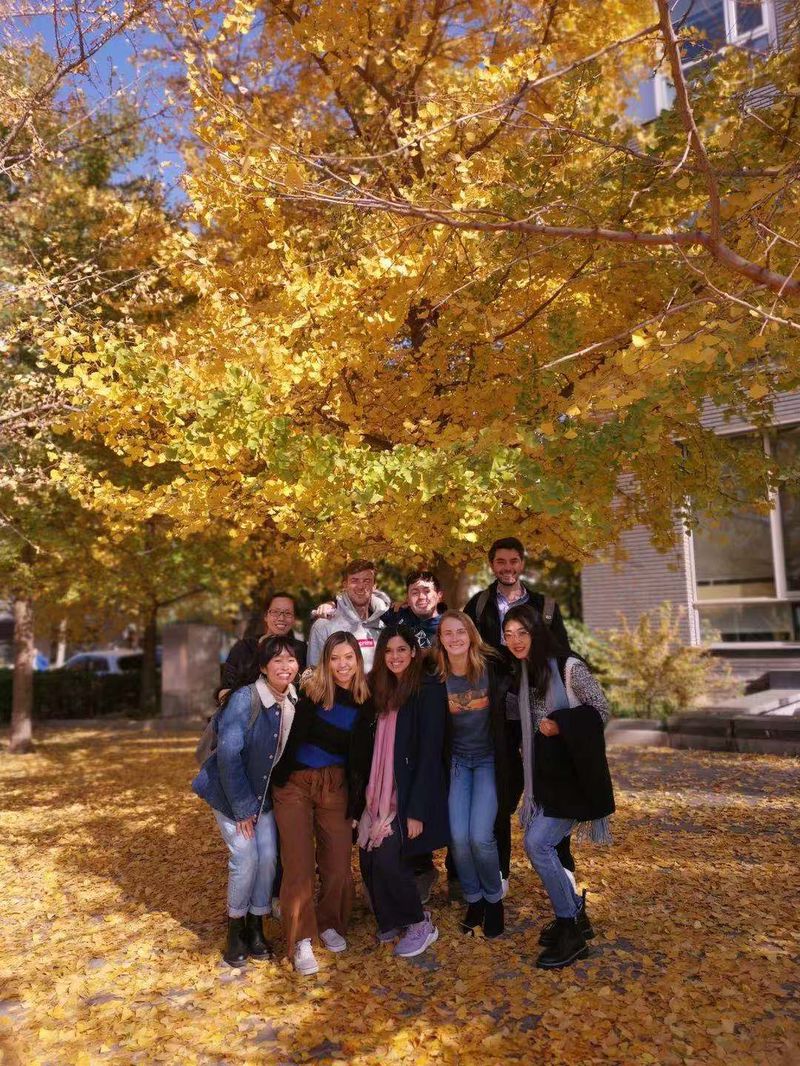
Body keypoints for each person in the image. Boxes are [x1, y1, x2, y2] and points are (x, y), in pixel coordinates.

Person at [502, 604, 614, 970]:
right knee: (540, 845)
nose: (515, 640)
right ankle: (574, 914)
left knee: (538, 844)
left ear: (537, 633)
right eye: (509, 634)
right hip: (547, 779)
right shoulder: (524, 672)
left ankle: (571, 926)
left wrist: (561, 723)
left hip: (573, 778)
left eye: (522, 632)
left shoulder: (568, 667)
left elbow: (602, 708)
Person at [464, 537, 572, 893]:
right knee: (501, 792)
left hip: (540, 709)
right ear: (492, 564)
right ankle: (500, 873)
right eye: (500, 562)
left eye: (513, 562)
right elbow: (462, 651)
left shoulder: (545, 607)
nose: (507, 568)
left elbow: (562, 655)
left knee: (551, 787)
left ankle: (563, 868)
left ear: (522, 563)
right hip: (497, 714)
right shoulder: (478, 605)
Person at [192, 637, 300, 966]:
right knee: (245, 857)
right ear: (264, 668)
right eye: (277, 661)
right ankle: (235, 929)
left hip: (262, 796)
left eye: (291, 660)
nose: (285, 666)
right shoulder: (245, 698)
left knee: (268, 858)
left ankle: (256, 925)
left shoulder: (293, 699)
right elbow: (227, 755)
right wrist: (242, 809)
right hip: (230, 794)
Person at [271, 631, 373, 975]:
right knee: (298, 863)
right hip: (296, 785)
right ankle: (300, 939)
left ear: (358, 660)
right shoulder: (313, 693)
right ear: (325, 662)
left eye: (348, 657)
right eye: (334, 658)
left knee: (338, 863)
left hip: (336, 785)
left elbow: (361, 758)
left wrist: (357, 808)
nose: (342, 665)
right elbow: (295, 739)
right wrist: (279, 781)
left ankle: (331, 923)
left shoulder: (366, 700)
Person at [352, 625, 448, 958]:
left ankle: (420, 924)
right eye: (389, 651)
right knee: (368, 857)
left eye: (401, 650)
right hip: (376, 792)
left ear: (413, 653)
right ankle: (391, 918)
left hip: (405, 795)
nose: (395, 657)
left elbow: (430, 754)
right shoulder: (378, 688)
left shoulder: (427, 690)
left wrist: (417, 811)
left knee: (390, 857)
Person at [435, 610, 511, 939]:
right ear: (440, 639)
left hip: (488, 760)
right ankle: (474, 900)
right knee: (458, 839)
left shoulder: (492, 668)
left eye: (460, 632)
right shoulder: (434, 675)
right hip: (457, 762)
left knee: (480, 837)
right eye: (447, 633)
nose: (454, 638)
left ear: (470, 634)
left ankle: (494, 900)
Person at [218, 593, 307, 703]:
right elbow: (224, 691)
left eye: (288, 613)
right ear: (266, 616)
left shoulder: (302, 650)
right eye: (275, 612)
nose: (281, 618)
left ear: (294, 619)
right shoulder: (244, 647)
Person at [307, 561, 391, 672]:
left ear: (374, 586)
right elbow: (314, 673)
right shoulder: (324, 625)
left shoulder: (385, 623)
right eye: (354, 581)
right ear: (345, 585)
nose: (361, 586)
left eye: (366, 581)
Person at [380, 570, 444, 649]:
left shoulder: (448, 625)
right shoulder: (396, 615)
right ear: (408, 599)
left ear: (439, 596)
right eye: (415, 593)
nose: (421, 597)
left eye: (427, 591)